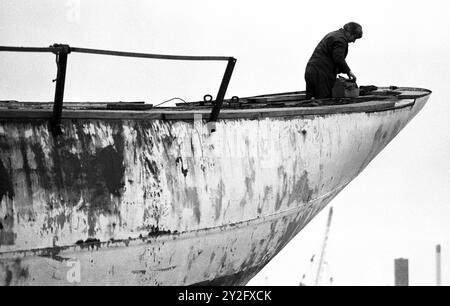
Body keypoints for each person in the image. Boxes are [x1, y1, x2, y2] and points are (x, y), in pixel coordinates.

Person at [304, 22, 363, 99]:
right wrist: (349, 71)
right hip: (321, 75)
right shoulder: (341, 40)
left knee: (310, 102)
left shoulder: (335, 35)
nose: (353, 41)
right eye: (354, 38)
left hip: (311, 71)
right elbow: (338, 59)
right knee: (323, 102)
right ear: (349, 33)